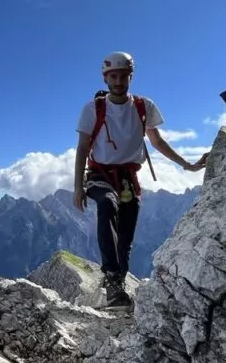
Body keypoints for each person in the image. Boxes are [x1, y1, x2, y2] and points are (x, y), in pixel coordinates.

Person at [73, 51, 207, 309]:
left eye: (123, 76)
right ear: (105, 78)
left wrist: (186, 165)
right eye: (113, 76)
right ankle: (112, 279)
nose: (119, 81)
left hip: (127, 178)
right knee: (107, 205)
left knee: (126, 236)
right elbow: (82, 148)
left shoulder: (144, 106)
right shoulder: (93, 109)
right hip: (100, 174)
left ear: (130, 77)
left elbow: (156, 141)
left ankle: (118, 286)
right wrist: (78, 186)